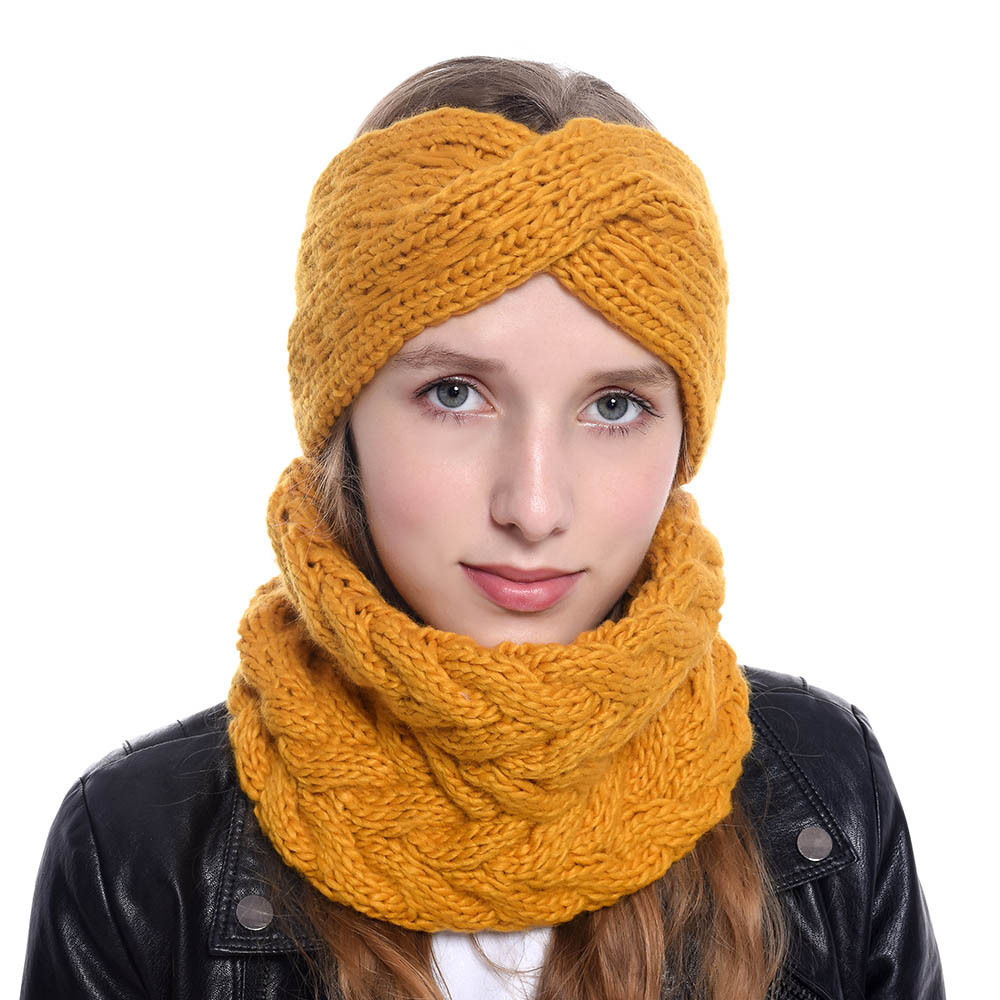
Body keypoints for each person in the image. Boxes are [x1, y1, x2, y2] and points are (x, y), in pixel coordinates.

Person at [19, 55, 945, 1000]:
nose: (534, 509)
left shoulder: (829, 792)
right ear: (340, 416)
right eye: (455, 394)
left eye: (615, 406)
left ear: (683, 437)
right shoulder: (132, 853)